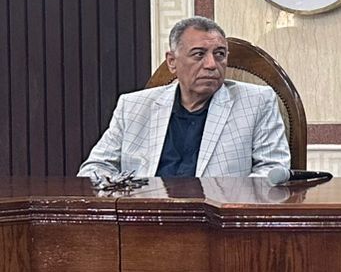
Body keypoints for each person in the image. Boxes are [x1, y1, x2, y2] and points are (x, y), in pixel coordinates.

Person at [78, 16, 290, 179]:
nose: (211, 64)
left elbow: (273, 169)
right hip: (146, 215)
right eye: (199, 54)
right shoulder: (134, 106)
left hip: (217, 217)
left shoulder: (257, 102)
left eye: (219, 54)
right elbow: (94, 168)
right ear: (172, 62)